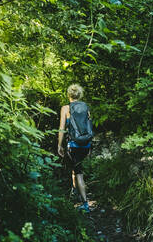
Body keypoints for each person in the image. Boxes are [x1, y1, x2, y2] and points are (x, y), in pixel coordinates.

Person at [58, 84, 91, 213]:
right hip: (85, 144)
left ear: (68, 95)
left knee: (78, 173)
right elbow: (89, 127)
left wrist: (59, 145)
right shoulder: (85, 108)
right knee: (75, 169)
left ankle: (85, 204)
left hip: (73, 145)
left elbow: (61, 129)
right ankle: (76, 192)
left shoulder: (66, 108)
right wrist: (90, 147)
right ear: (79, 95)